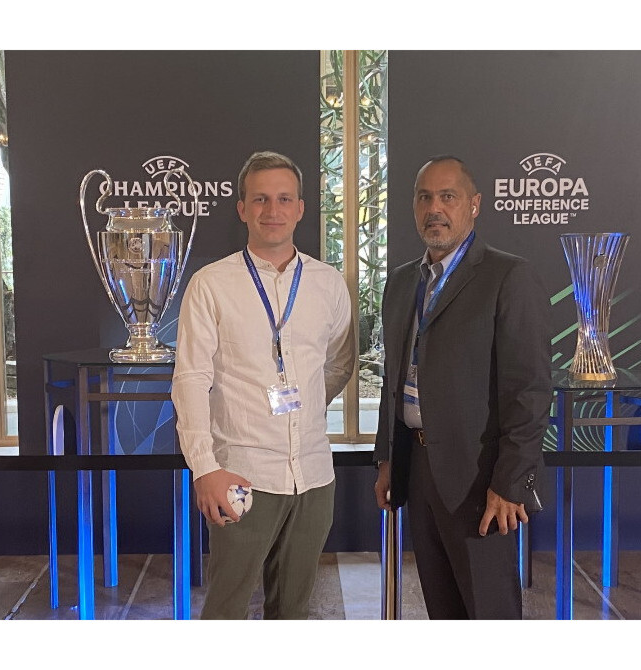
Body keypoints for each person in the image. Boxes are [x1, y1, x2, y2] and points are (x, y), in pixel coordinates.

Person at [172, 150, 356, 619]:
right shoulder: (211, 284)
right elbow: (191, 379)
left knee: (292, 611)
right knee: (227, 610)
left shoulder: (328, 283)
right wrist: (204, 469)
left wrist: (305, 408)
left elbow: (339, 363)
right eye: (260, 199)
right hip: (241, 475)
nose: (272, 210)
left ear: (300, 208)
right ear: (242, 208)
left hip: (314, 477)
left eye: (284, 199)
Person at [373, 155, 552, 619]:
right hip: (418, 470)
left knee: (489, 614)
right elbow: (395, 379)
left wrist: (510, 482)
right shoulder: (402, 283)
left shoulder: (507, 277)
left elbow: (529, 391)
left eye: (447, 196)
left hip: (481, 479)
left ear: (474, 205)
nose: (435, 208)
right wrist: (388, 458)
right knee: (443, 610)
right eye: (424, 197)